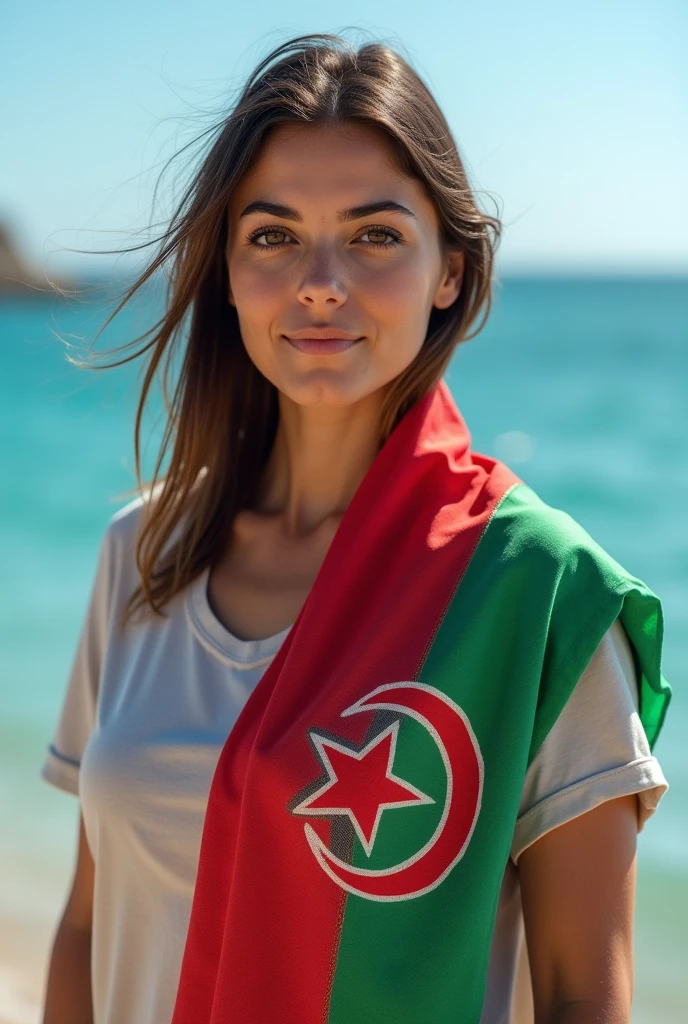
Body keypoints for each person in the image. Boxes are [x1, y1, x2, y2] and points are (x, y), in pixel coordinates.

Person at [40, 32, 671, 1024]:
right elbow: (88, 923)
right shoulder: (141, 554)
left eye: (375, 235)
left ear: (451, 271)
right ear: (226, 273)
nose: (319, 281)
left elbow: (586, 994)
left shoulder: (534, 590)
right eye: (273, 234)